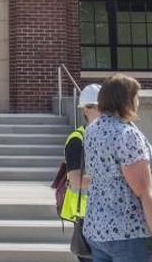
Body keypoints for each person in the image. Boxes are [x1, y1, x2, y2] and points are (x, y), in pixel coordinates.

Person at [83, 74, 152, 262]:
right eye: (136, 96)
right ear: (126, 100)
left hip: (97, 229)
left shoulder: (92, 130)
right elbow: (144, 192)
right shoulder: (126, 134)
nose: (138, 101)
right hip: (130, 233)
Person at [61, 83, 102, 226]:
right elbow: (76, 180)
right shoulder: (77, 140)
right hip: (85, 215)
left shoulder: (108, 137)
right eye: (98, 108)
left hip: (105, 212)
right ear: (85, 109)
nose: (103, 112)